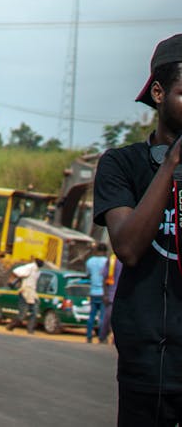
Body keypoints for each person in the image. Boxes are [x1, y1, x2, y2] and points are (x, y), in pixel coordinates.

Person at [94, 35, 182, 425]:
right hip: (150, 361)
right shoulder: (121, 166)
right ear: (159, 93)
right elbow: (128, 247)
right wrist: (171, 164)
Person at [8, 257, 42, 333]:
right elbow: (16, 272)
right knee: (23, 313)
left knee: (35, 311)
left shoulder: (38, 271)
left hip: (32, 292)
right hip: (25, 291)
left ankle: (30, 329)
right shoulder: (29, 267)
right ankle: (11, 326)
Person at [84, 242, 109, 344]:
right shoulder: (106, 261)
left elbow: (87, 274)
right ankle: (101, 337)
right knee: (102, 316)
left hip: (93, 291)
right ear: (105, 252)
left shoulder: (90, 261)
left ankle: (89, 336)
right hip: (103, 292)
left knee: (91, 315)